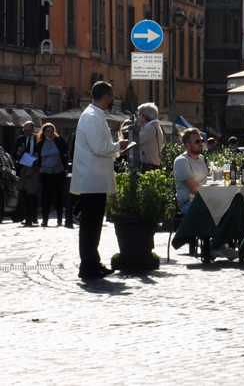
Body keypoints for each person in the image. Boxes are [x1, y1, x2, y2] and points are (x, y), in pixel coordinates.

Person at [71, 81, 129, 279]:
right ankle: (88, 265)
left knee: (93, 224)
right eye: (111, 96)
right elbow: (99, 147)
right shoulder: (93, 117)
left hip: (94, 178)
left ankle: (92, 262)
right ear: (106, 96)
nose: (111, 100)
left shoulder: (94, 116)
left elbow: (99, 146)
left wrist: (116, 148)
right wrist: (118, 147)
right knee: (90, 224)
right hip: (92, 179)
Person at [34, 123, 70, 227]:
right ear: (44, 133)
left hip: (59, 171)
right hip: (45, 172)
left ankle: (59, 218)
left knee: (59, 195)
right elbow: (38, 155)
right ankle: (45, 219)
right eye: (47, 131)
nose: (50, 133)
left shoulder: (59, 141)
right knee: (46, 196)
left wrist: (66, 161)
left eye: (51, 131)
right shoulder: (41, 143)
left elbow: (66, 152)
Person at [173, 128, 209, 214]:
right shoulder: (182, 161)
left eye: (201, 140)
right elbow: (194, 188)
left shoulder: (201, 158)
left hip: (202, 199)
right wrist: (211, 193)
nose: (201, 144)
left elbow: (204, 181)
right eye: (197, 142)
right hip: (188, 203)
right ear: (187, 145)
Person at [13, 120, 39, 227]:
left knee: (33, 193)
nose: (27, 133)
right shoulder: (21, 139)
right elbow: (15, 154)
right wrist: (20, 151)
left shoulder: (38, 139)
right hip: (23, 168)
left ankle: (33, 217)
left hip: (35, 169)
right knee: (24, 193)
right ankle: (27, 217)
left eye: (29, 131)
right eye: (25, 131)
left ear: (33, 129)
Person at [136, 103, 163, 172]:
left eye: (139, 115)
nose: (137, 118)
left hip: (147, 167)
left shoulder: (150, 129)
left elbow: (134, 141)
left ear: (144, 117)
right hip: (153, 165)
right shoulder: (155, 127)